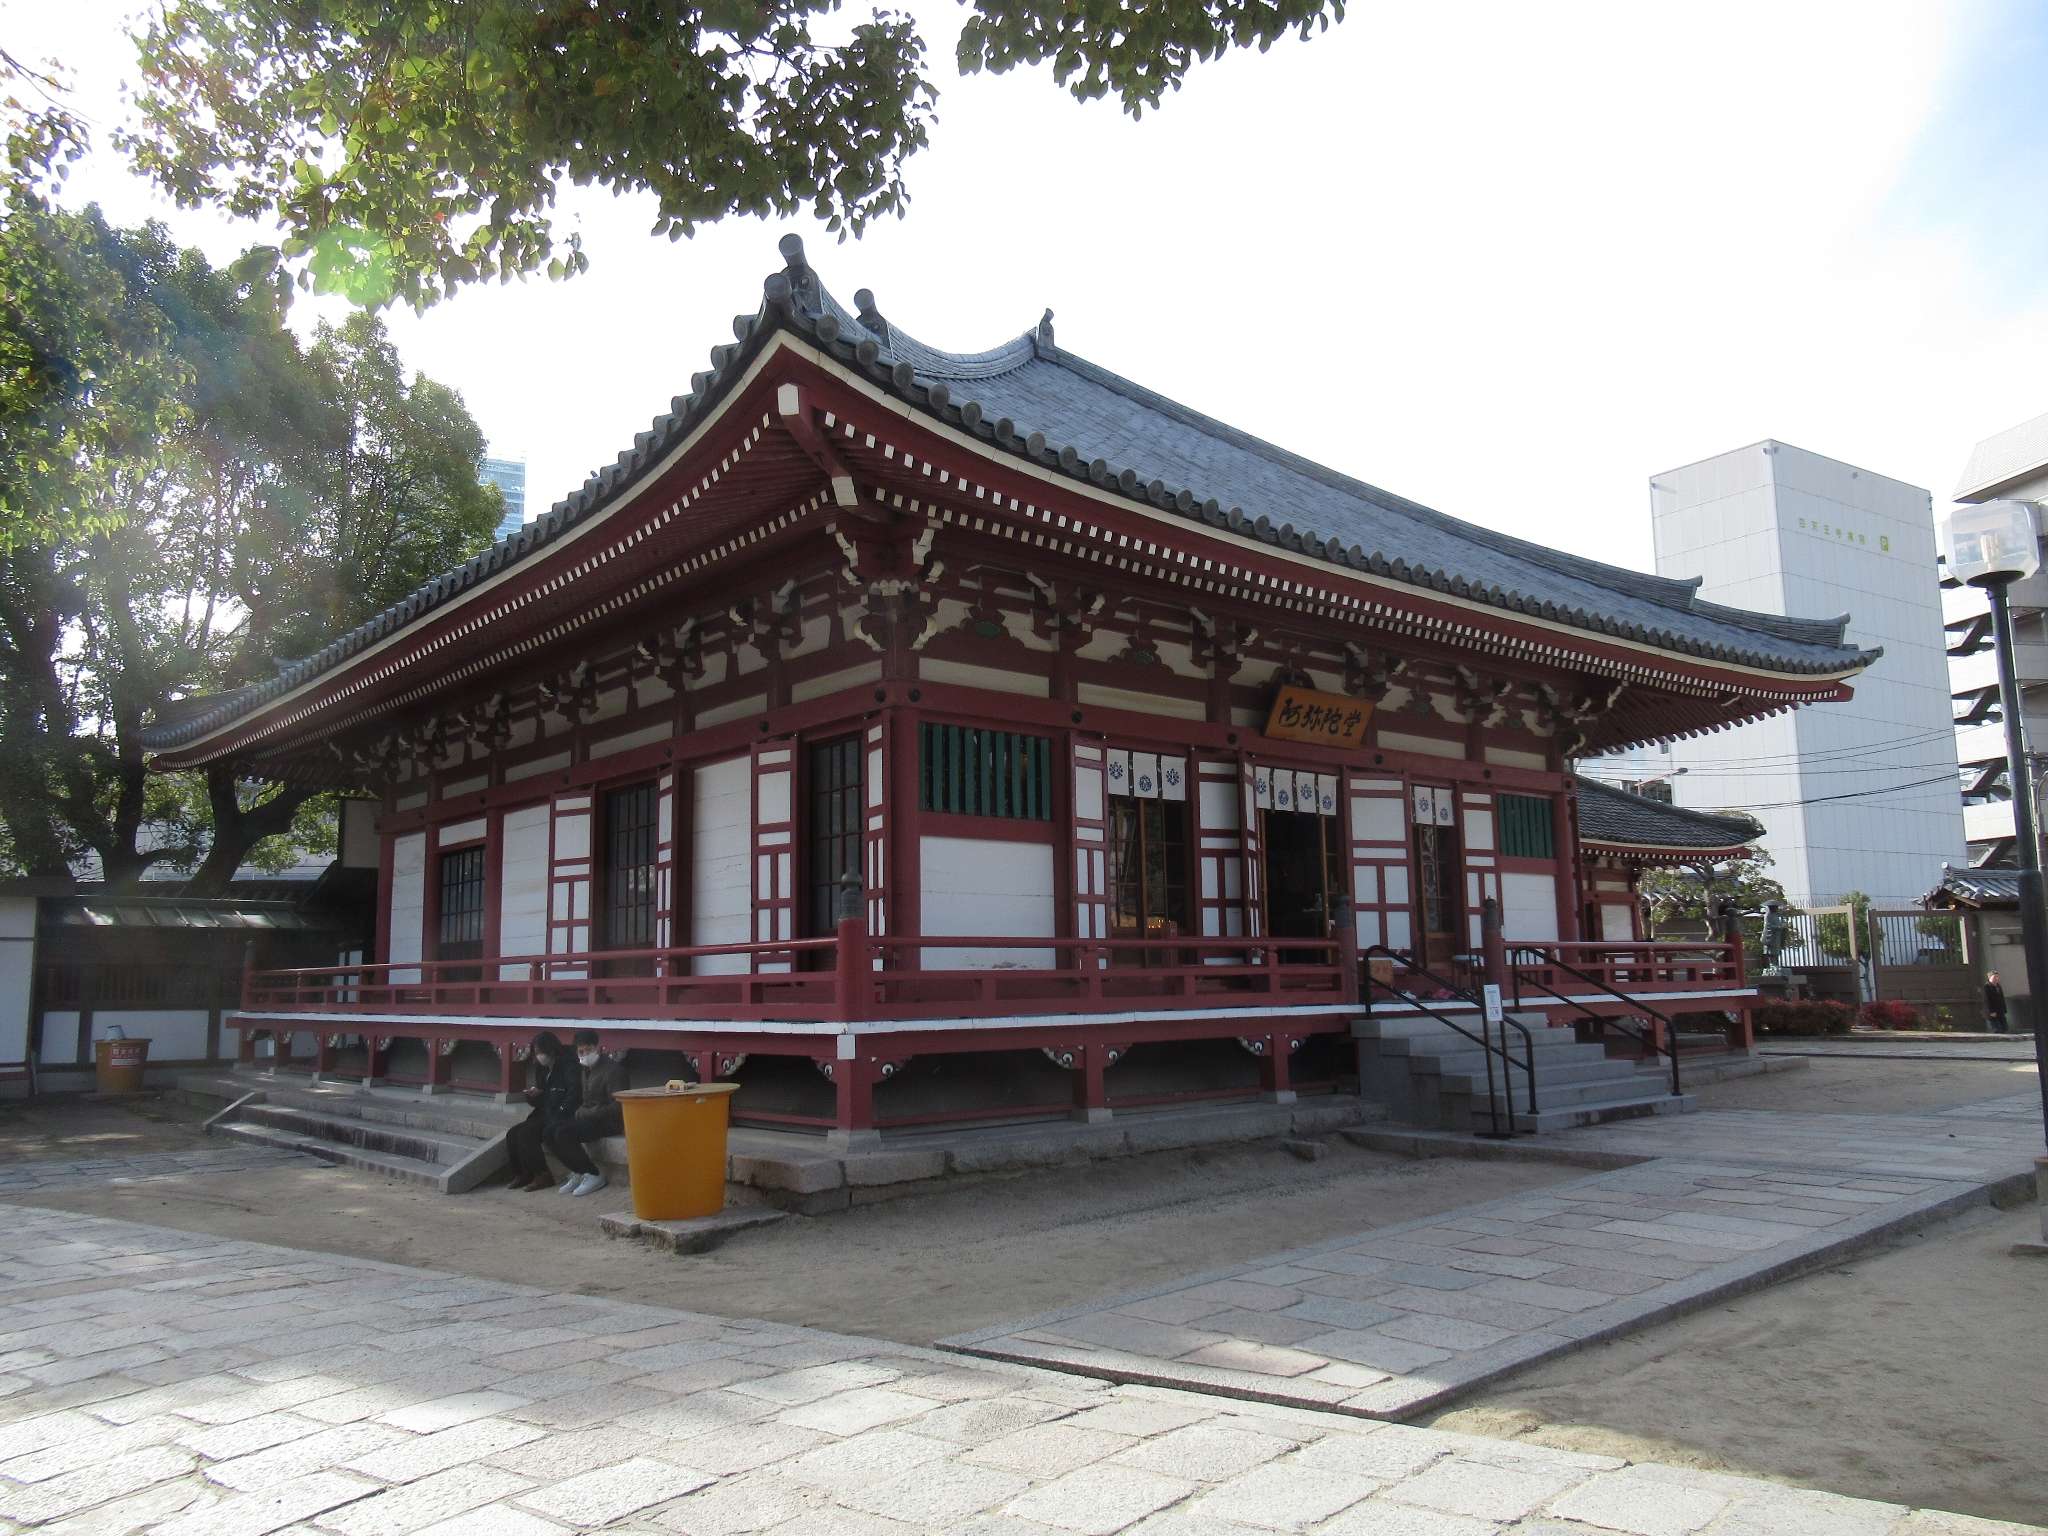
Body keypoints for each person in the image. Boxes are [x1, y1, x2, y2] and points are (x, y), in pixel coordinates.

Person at [548, 1030, 625, 1196]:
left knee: (564, 1133)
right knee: (549, 1131)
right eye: (581, 1051)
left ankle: (593, 1173)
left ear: (597, 1047)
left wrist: (590, 1112)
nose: (584, 1054)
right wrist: (583, 1111)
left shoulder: (613, 1070)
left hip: (608, 1122)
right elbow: (585, 1100)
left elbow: (618, 1105)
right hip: (588, 1117)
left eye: (588, 1050)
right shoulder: (585, 1069)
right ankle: (578, 1170)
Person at [506, 1031, 576, 1191]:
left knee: (527, 1133)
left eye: (540, 1052)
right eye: (536, 1052)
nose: (538, 1056)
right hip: (544, 1110)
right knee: (512, 1133)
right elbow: (542, 1096)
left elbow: (572, 1094)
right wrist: (533, 1096)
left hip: (561, 1112)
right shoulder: (541, 1068)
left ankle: (542, 1174)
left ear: (550, 1049)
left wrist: (558, 1106)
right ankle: (522, 1174)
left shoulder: (568, 1066)